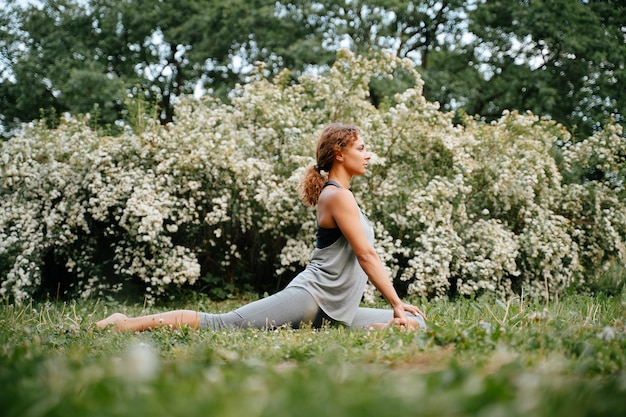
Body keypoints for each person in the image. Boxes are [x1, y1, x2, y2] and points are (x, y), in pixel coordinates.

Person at [96, 123, 426, 332]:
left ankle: (378, 329)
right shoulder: (336, 196)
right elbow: (366, 254)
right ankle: (123, 324)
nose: (368, 155)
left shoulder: (347, 197)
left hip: (337, 309)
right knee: (221, 324)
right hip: (311, 297)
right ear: (339, 154)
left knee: (417, 323)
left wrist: (399, 311)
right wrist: (395, 302)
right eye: (361, 148)